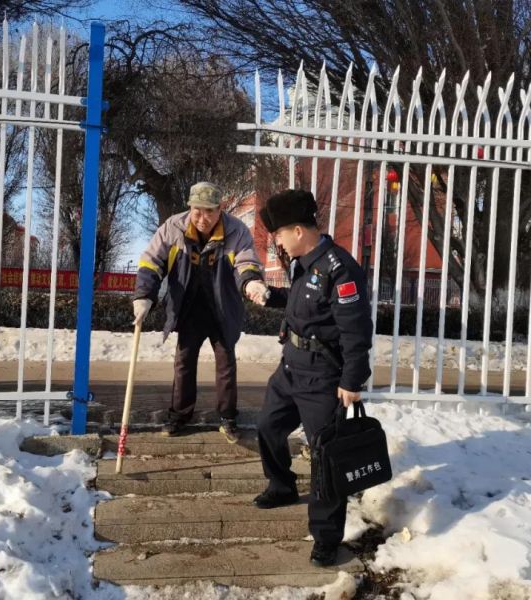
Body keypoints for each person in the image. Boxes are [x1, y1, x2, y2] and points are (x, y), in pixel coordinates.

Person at [245, 188, 373, 567]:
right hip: (291, 367)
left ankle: (326, 536)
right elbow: (305, 302)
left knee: (324, 456)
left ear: (298, 231)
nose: (278, 242)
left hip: (322, 376)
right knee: (268, 426)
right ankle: (282, 485)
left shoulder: (340, 268)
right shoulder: (303, 262)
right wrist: (273, 297)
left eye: (280, 234)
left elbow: (355, 330)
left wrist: (352, 380)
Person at [132, 181, 265, 443]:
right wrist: (144, 296)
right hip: (189, 307)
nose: (203, 218)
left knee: (226, 363)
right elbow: (151, 261)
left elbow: (246, 261)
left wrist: (251, 282)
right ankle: (180, 415)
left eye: (209, 211)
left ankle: (228, 417)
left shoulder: (236, 230)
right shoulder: (173, 227)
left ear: (220, 209)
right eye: (197, 211)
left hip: (222, 309)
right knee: (183, 361)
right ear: (190, 208)